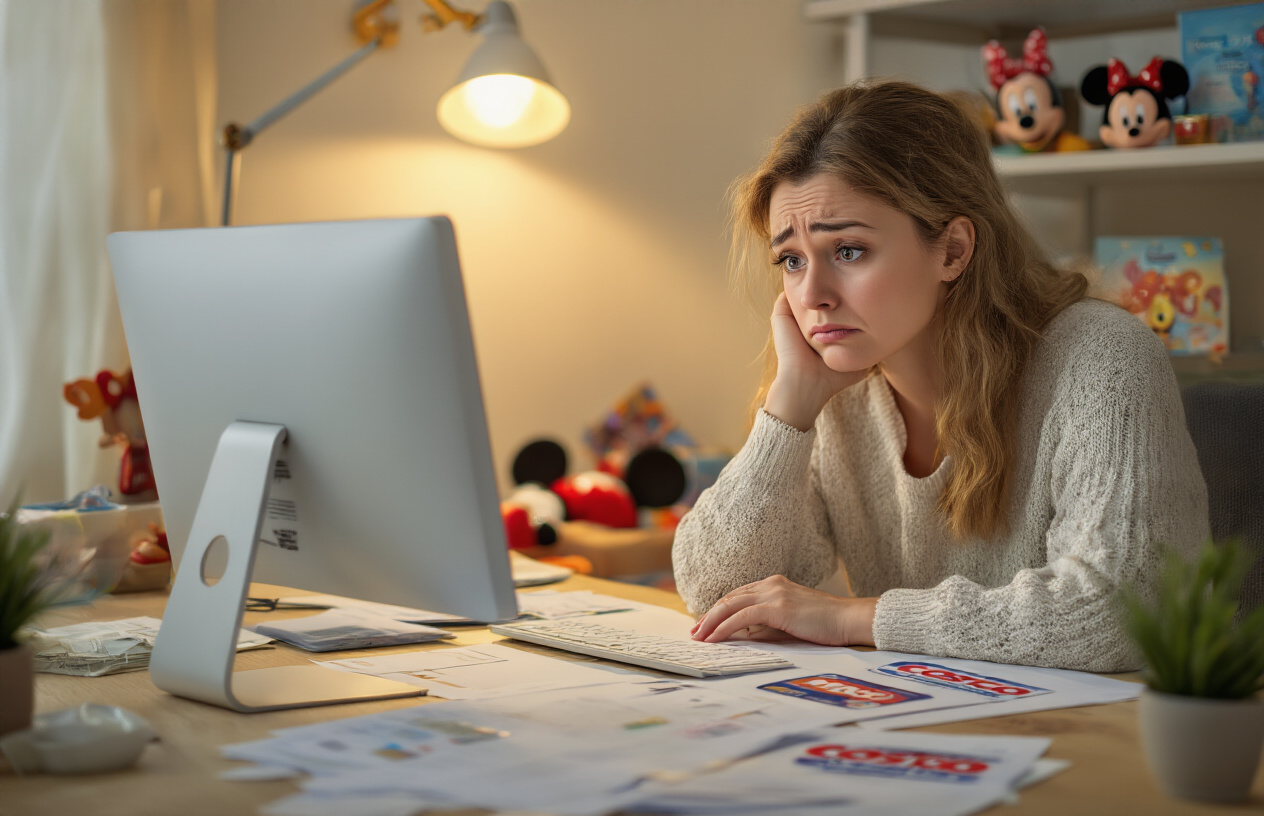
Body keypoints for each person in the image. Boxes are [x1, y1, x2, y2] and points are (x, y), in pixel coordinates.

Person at [672, 80, 1209, 672]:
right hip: (926, 731)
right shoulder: (833, 396)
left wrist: (855, 617)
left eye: (847, 250)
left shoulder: (1103, 360)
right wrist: (787, 412)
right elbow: (716, 594)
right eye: (791, 260)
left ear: (952, 250)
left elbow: (1123, 613)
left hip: (1111, 744)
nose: (812, 295)